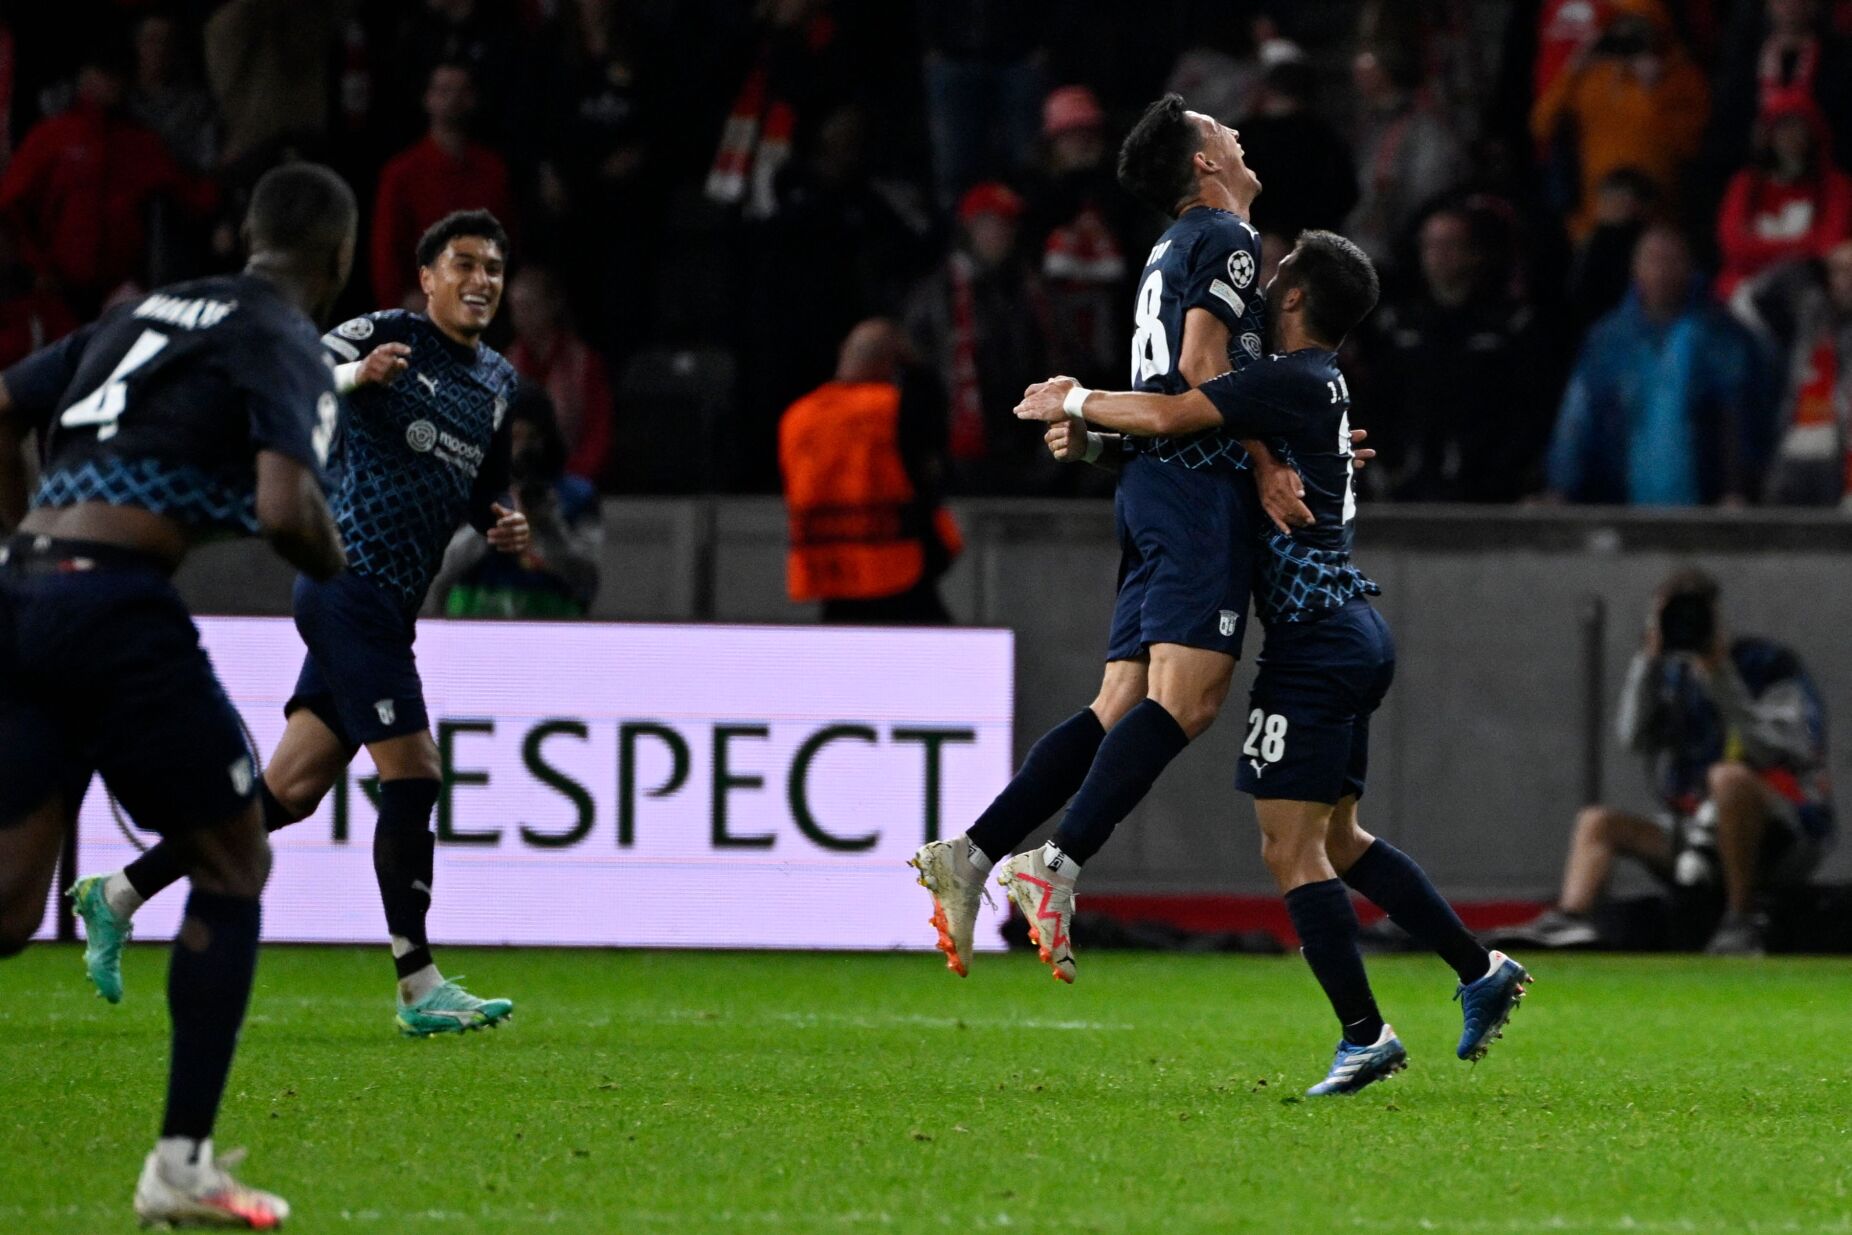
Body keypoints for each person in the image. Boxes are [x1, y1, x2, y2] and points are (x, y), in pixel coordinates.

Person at [1012, 230, 1531, 1096]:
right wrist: (1099, 442)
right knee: (1339, 838)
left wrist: (1076, 400)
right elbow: (1205, 446)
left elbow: (1176, 414)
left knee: (1288, 849)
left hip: (1317, 647)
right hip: (1351, 632)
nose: (1262, 286)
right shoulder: (1313, 388)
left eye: (1276, 277)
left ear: (1292, 299)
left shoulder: (1286, 381)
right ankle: (1479, 968)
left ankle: (1364, 1035)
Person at [71, 210, 530, 1038]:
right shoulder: (385, 333)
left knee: (287, 792)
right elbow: (295, 368)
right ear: (426, 277)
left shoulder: (498, 380)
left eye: (494, 267)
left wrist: (506, 518)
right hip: (344, 580)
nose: (481, 280)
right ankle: (419, 984)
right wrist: (360, 380)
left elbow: (486, 484)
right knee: (415, 771)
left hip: (389, 604)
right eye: (463, 263)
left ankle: (118, 892)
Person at [0, 161, 355, 1228]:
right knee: (235, 853)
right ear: (335, 261)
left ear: (248, 233)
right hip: (113, 607)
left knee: (11, 903)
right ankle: (181, 1162)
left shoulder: (140, 310)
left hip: (21, 591)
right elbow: (287, 508)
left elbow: (4, 401)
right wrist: (338, 562)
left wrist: (17, 531)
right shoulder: (284, 338)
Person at [908, 95, 1324, 982]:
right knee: (1191, 700)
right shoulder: (1226, 238)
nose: (1236, 133)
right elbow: (1201, 370)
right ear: (1205, 165)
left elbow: (1165, 381)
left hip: (1148, 488)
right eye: (1221, 130)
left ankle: (973, 852)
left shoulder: (1168, 251)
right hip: (1196, 493)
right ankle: (1054, 865)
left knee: (1118, 705)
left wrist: (1094, 428)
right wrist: (1261, 462)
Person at [1498, 569, 1832, 955]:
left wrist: (1720, 672)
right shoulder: (1672, 674)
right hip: (1694, 835)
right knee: (1597, 823)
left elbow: (1777, 749)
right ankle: (1572, 919)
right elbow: (1632, 738)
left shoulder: (1770, 665)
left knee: (1729, 779)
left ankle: (1742, 919)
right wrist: (1647, 659)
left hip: (1780, 832)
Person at [1546, 226, 1776, 505]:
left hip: (1705, 503)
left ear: (1691, 267)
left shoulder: (1724, 336)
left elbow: (1740, 419)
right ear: (1635, 269)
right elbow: (1578, 418)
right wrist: (1561, 487)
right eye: (1653, 260)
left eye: (1673, 260)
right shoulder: (1608, 339)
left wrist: (1737, 490)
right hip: (1621, 504)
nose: (1662, 271)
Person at [1360, 206, 1556, 501]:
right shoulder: (1400, 328)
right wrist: (1388, 466)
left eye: (1449, 244)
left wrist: (1504, 474)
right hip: (1409, 490)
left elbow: (1528, 409)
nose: (1438, 255)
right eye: (1430, 245)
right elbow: (1376, 404)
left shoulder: (1511, 327)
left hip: (1486, 496)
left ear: (1474, 253)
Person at [781, 320, 960, 624]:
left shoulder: (797, 417)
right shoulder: (893, 408)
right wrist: (917, 369)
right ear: (892, 363)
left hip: (828, 574)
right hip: (895, 569)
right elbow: (932, 451)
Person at [1529, 0, 1709, 242]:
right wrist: (1573, 71)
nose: (1627, 35)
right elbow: (1542, 126)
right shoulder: (1590, 77)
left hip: (1659, 221)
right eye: (1618, 24)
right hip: (1592, 223)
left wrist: (1656, 91)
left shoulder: (1680, 75)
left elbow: (1690, 146)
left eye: (1638, 26)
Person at [438, 380, 601, 618]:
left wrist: (546, 522)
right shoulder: (464, 486)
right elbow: (441, 570)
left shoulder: (576, 495)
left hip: (551, 624)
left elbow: (586, 578)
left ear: (547, 438)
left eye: (531, 437)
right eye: (513, 437)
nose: (521, 449)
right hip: (473, 622)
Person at [371, 62, 515, 309]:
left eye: (462, 91)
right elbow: (386, 252)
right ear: (428, 99)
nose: (453, 99)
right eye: (444, 90)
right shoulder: (402, 172)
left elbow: (508, 238)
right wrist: (400, 301)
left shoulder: (493, 169)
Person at [1715, 92, 1852, 300]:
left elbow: (1829, 246)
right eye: (1783, 127)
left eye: (1799, 127)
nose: (1791, 136)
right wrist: (1799, 249)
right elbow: (1733, 246)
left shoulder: (1836, 186)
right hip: (1744, 291)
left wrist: (1764, 252)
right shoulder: (1744, 184)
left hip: (1811, 290)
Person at [506, 267, 615, 485]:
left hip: (574, 481)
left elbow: (599, 432)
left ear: (551, 306)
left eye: (529, 307)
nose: (521, 317)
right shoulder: (505, 365)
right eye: (515, 309)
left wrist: (575, 476)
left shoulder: (583, 364)